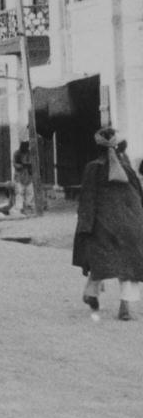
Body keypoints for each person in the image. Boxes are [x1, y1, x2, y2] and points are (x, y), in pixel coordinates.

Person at [73, 128, 143, 321]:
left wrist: (85, 225)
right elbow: (139, 195)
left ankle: (92, 293)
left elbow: (87, 199)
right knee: (129, 262)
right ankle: (125, 307)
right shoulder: (127, 169)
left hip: (104, 223)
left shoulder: (92, 168)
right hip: (131, 223)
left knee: (101, 258)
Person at [11, 141, 36, 216]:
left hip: (28, 175)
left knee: (30, 192)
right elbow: (15, 164)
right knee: (19, 192)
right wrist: (22, 165)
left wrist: (29, 166)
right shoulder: (17, 153)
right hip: (19, 175)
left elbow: (32, 163)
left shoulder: (29, 153)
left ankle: (29, 207)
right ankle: (19, 208)